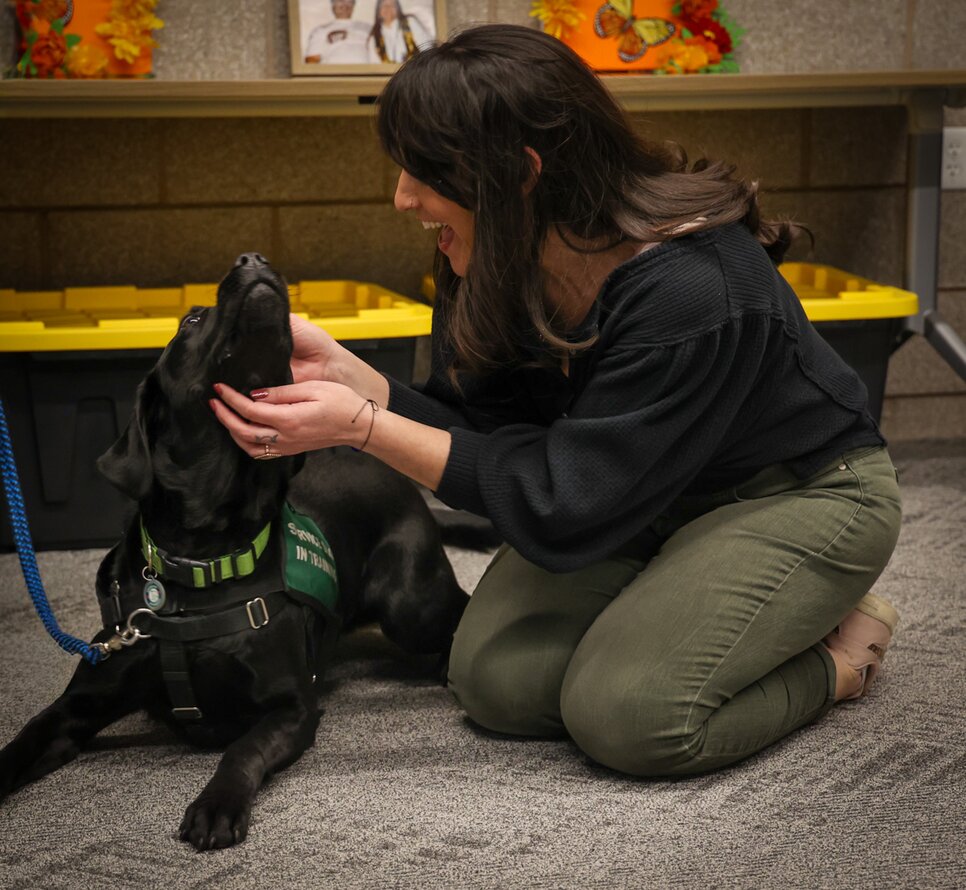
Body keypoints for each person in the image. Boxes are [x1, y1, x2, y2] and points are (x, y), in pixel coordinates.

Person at [211, 25, 903, 777]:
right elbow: (486, 435)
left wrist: (365, 430)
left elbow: (562, 505)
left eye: (423, 173)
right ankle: (704, 602)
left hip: (800, 494)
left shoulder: (693, 287)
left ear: (519, 173)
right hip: (635, 491)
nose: (403, 197)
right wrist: (359, 383)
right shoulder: (490, 254)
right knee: (495, 683)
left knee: (630, 716)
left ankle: (835, 658)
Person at [304, 0, 371, 65]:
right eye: (340, 1)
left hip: (366, 73)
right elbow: (311, 61)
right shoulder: (320, 30)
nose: (345, 4)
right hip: (335, 73)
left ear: (353, 6)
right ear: (333, 6)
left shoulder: (368, 28)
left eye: (349, 1)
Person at [367, 0, 433, 64]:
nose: (388, 8)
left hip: (416, 71)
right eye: (384, 5)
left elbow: (427, 48)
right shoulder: (373, 40)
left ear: (398, 9)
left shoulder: (410, 23)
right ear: (378, 12)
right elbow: (376, 68)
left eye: (392, 5)